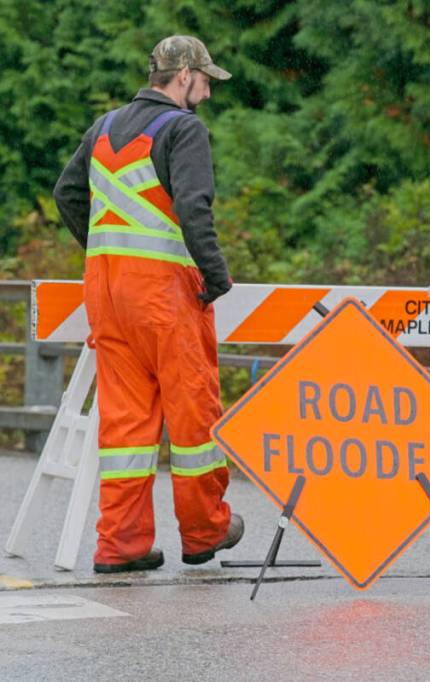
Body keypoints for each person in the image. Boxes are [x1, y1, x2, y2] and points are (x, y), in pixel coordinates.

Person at [53, 36, 243, 573]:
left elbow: (66, 195)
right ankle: (205, 531)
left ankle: (122, 544)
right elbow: (192, 204)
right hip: (165, 295)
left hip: (108, 294)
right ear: (182, 76)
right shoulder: (184, 129)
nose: (206, 92)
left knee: (125, 425)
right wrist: (214, 271)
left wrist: (104, 253)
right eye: (204, 80)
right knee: (193, 414)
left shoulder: (104, 127)